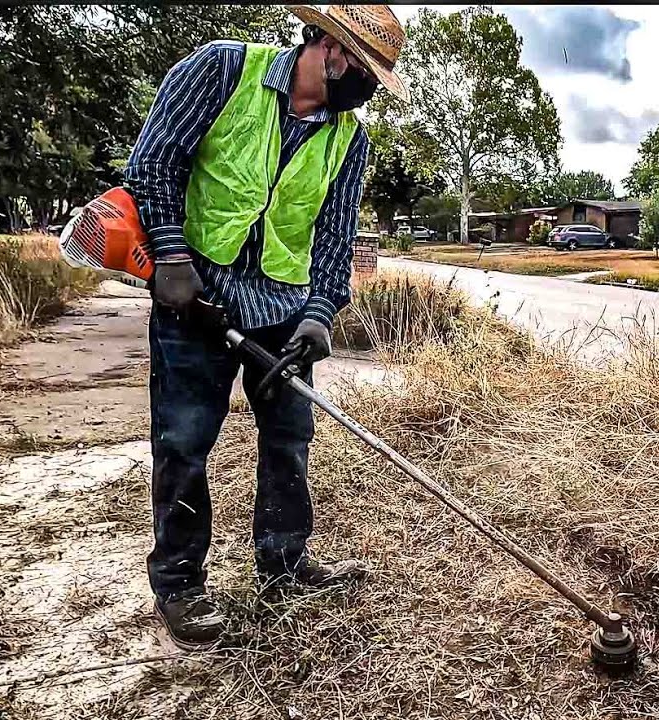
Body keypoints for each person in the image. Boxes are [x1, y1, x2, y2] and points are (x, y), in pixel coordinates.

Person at [123, 5, 410, 651]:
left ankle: (283, 565)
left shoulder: (348, 139)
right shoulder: (223, 70)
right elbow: (154, 165)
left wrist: (318, 315)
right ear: (331, 49)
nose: (367, 90)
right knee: (185, 442)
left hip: (281, 306)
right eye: (366, 72)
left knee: (289, 441)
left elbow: (335, 238)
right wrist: (170, 258)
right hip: (194, 295)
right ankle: (179, 584)